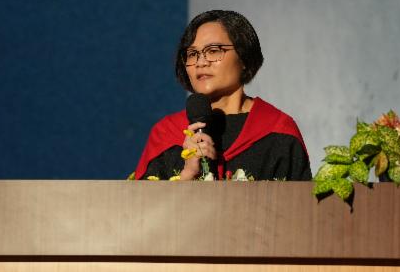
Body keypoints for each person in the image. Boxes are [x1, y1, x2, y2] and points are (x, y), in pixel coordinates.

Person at [133, 10, 312, 181]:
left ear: (243, 56)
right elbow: (144, 203)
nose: (201, 62)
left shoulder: (277, 132)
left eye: (213, 50)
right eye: (192, 54)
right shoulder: (166, 134)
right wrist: (187, 175)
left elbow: (299, 202)